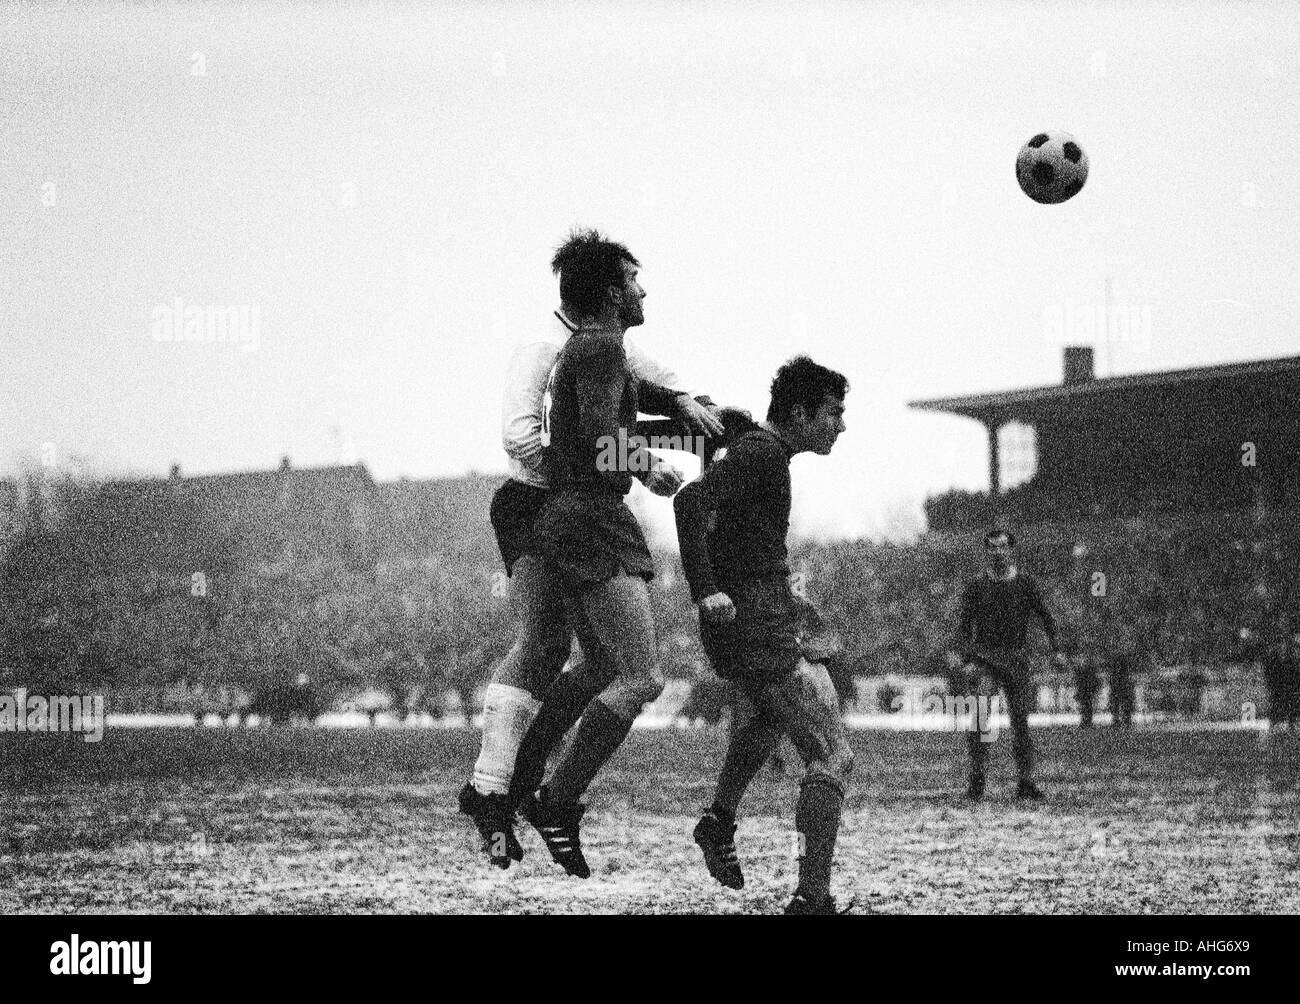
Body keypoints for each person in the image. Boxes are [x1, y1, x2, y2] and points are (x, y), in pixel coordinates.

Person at [458, 229, 724, 868]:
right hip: (588, 519)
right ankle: (555, 799)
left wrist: (693, 421)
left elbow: (613, 420)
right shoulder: (599, 351)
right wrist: (651, 467)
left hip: (560, 516)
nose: (643, 289)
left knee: (581, 660)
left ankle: (508, 786)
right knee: (638, 675)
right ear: (612, 293)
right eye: (634, 280)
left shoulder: (586, 350)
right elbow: (604, 440)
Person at [674, 355, 853, 915]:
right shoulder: (765, 454)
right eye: (833, 412)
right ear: (800, 412)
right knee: (831, 755)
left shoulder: (760, 450)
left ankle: (719, 821)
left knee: (767, 719)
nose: (841, 425)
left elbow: (733, 533)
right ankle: (811, 898)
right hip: (755, 622)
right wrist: (708, 590)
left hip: (757, 614)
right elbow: (688, 503)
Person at [946, 528, 1067, 801]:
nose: (997, 551)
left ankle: (1026, 781)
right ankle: (977, 780)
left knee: (1021, 722)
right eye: (992, 547)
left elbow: (1047, 618)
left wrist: (1057, 651)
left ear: (1011, 550)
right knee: (979, 718)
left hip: (1016, 659)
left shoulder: (1025, 583)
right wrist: (965, 658)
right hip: (986, 659)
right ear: (986, 552)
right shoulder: (978, 585)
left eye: (1002, 546)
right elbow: (964, 624)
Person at [1073, 651, 1099, 728]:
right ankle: (1086, 721)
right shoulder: (1086, 670)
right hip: (1085, 690)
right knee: (1085, 706)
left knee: (1086, 706)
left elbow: (1093, 680)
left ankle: (1086, 721)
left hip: (1086, 689)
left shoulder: (1084, 670)